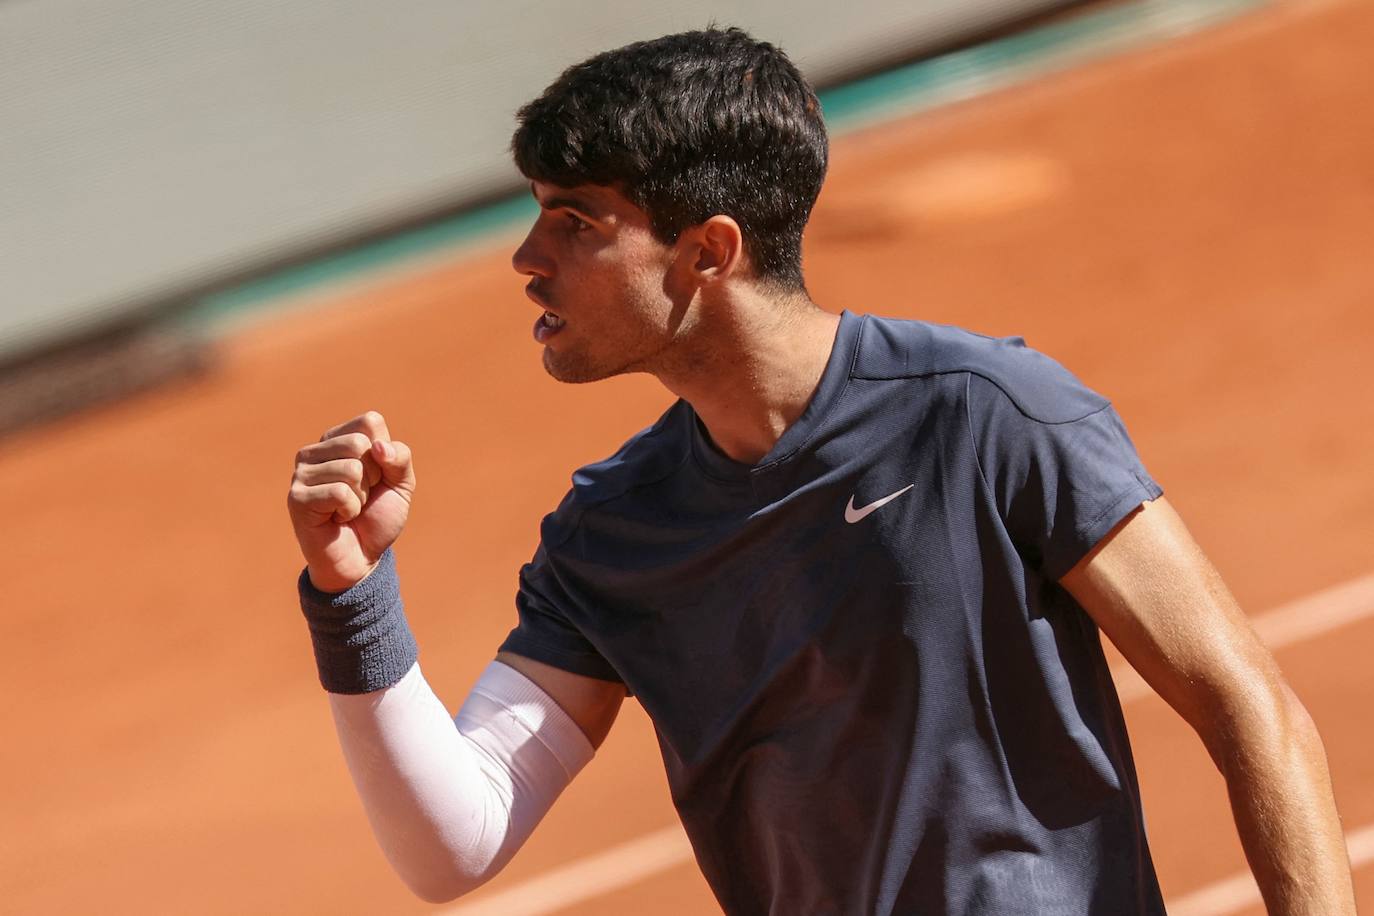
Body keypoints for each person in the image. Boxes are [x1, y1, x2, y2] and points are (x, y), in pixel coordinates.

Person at [286, 27, 1356, 914]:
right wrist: (352, 593)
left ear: (708, 251)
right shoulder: (611, 535)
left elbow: (1247, 705)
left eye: (576, 223)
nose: (527, 259)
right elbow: (452, 844)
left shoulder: (988, 414)